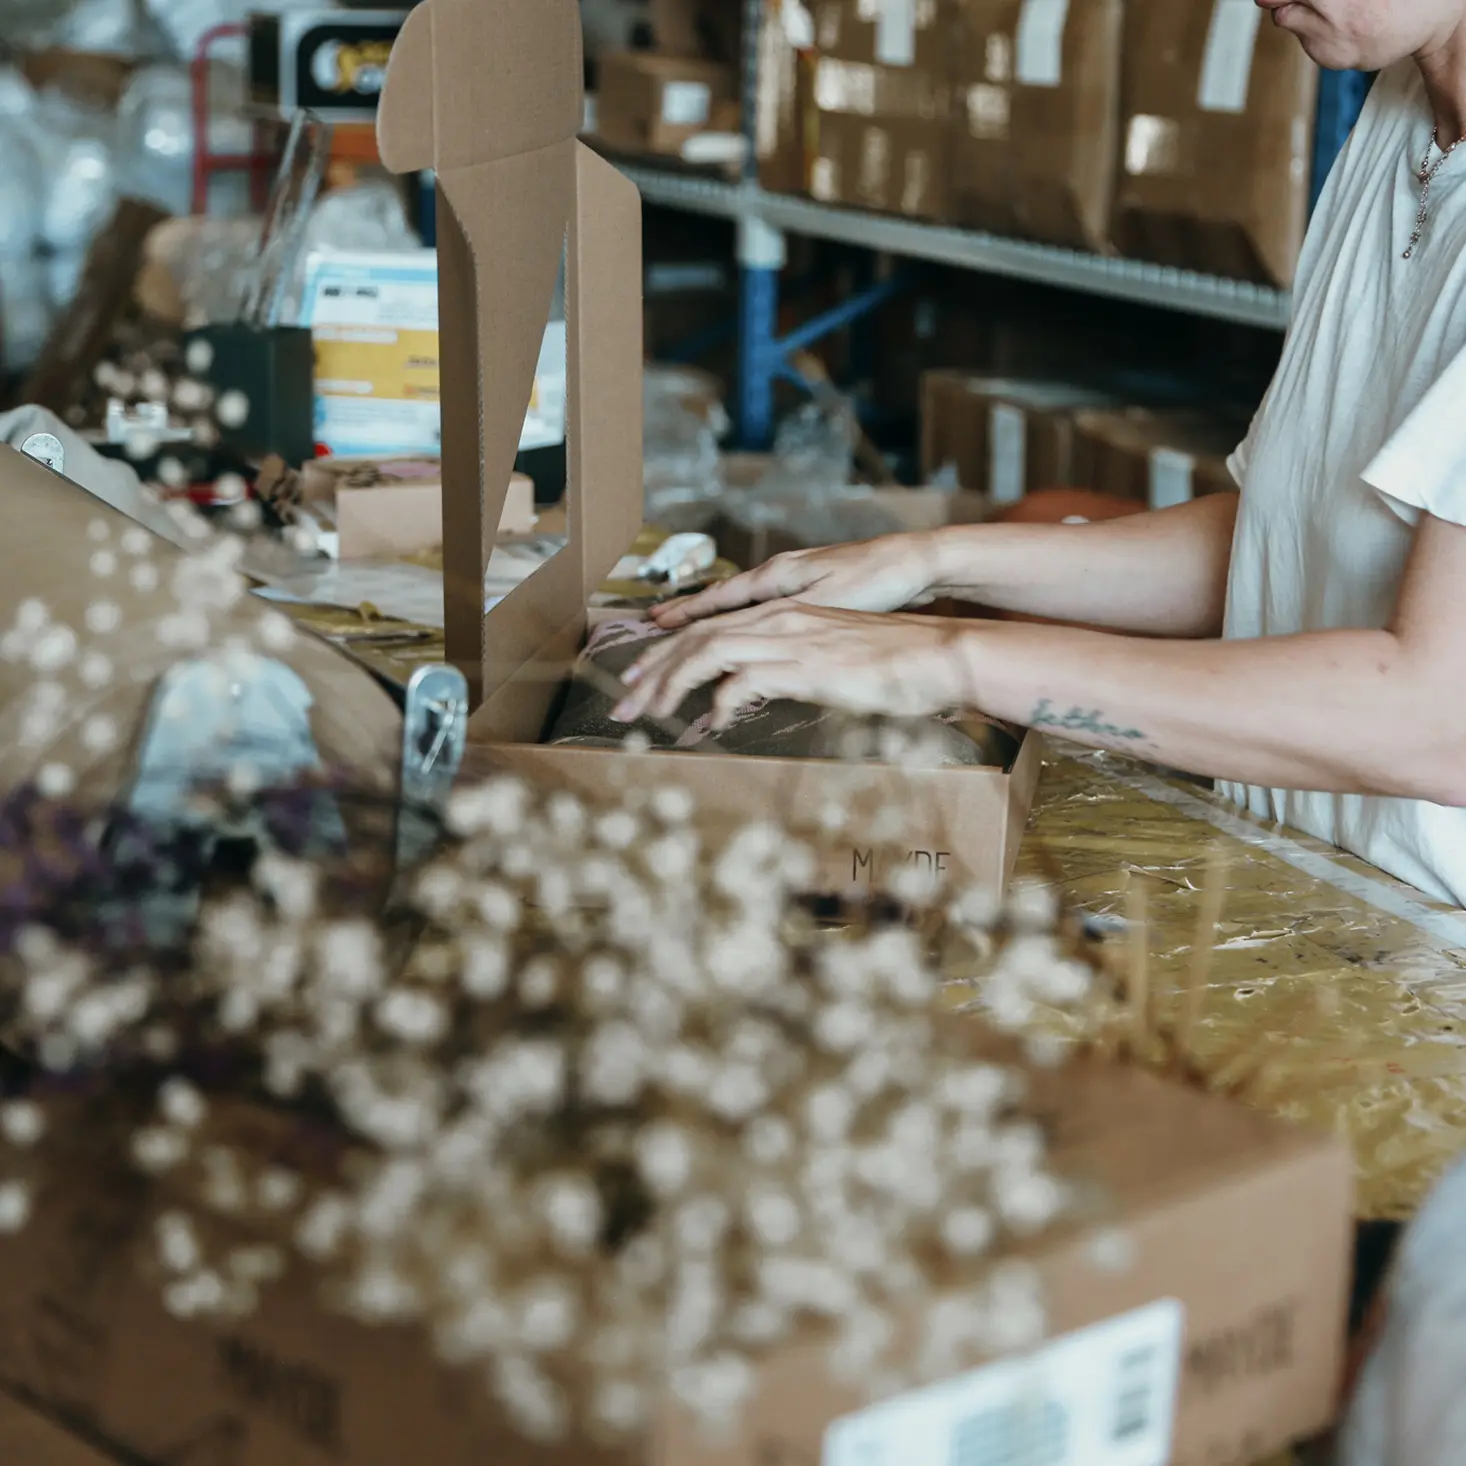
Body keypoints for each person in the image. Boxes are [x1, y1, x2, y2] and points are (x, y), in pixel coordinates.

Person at [613, 0, 1466, 908]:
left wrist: (950, 656)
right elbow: (1287, 538)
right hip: (1317, 890)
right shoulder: (1402, 105)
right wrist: (929, 561)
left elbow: (1434, 721)